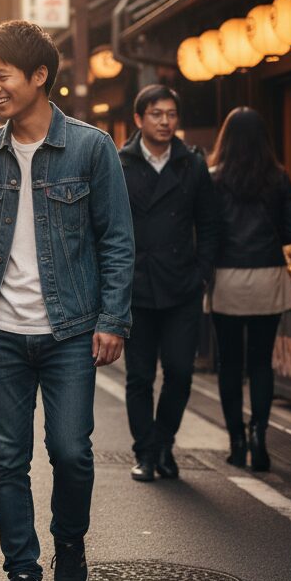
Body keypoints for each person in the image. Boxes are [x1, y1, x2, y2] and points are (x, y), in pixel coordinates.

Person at [0, 20, 133, 581]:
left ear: (39, 76)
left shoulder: (90, 148)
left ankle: (70, 542)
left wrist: (111, 317)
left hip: (71, 329)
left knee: (71, 451)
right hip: (1, 331)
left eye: (2, 76)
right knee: (8, 459)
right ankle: (22, 573)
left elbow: (117, 240)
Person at [119, 85, 219, 482]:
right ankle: (145, 452)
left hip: (181, 287)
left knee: (180, 371)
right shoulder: (119, 162)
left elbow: (209, 223)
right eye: (156, 114)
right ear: (139, 119)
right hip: (136, 287)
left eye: (171, 115)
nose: (164, 121)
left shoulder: (192, 163)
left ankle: (164, 443)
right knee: (139, 376)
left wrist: (202, 273)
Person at [207, 107, 291, 472]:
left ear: (226, 139)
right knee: (261, 363)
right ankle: (260, 437)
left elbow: (208, 230)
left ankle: (236, 440)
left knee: (229, 363)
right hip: (268, 275)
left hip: (227, 277)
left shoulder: (213, 178)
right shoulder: (277, 178)